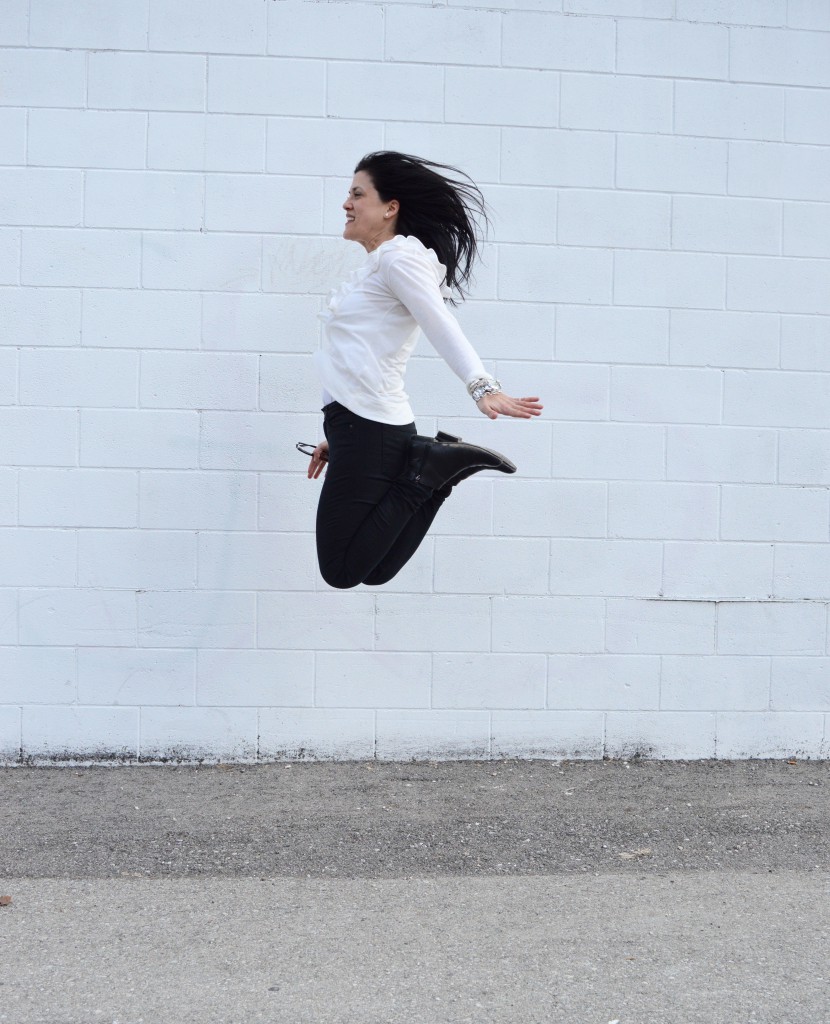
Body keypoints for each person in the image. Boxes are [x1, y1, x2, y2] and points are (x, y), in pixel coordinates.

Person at [304, 151, 543, 590]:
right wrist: (338, 434)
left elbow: (439, 321)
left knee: (341, 570)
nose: (346, 204)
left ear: (390, 207)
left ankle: (431, 472)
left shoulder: (400, 259)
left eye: (358, 194)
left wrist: (481, 386)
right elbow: (360, 356)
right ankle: (435, 474)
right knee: (372, 570)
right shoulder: (379, 265)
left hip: (369, 426)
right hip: (361, 425)